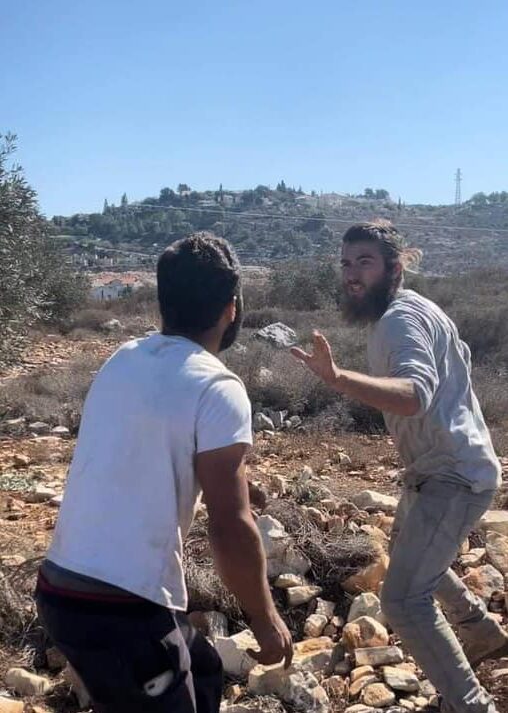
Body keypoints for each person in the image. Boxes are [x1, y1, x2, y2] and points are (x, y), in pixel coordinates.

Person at [35, 232, 293, 713]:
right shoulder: (218, 386)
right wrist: (264, 618)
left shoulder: (125, 358)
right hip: (122, 607)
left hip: (58, 589)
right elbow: (229, 527)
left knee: (205, 668)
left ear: (163, 303)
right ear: (232, 308)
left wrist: (237, 482)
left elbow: (136, 448)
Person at [291, 219, 506, 713]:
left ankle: (471, 705)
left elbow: (414, 395)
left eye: (364, 262)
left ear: (395, 266)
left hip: (453, 476)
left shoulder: (399, 321)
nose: (352, 274)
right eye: (346, 263)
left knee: (404, 600)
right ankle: (479, 630)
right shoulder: (416, 309)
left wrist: (338, 377)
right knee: (408, 555)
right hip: (441, 467)